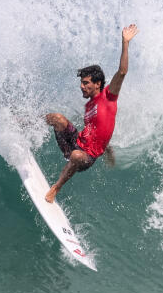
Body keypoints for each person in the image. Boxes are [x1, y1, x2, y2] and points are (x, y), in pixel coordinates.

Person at [43, 23, 139, 203]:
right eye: (82, 82)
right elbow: (97, 130)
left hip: (87, 157)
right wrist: (107, 147)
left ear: (98, 84)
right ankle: (28, 123)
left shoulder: (109, 96)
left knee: (76, 155)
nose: (82, 86)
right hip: (75, 143)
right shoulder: (88, 106)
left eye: (86, 83)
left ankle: (56, 188)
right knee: (57, 118)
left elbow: (122, 71)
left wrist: (125, 42)